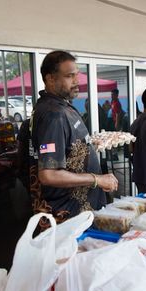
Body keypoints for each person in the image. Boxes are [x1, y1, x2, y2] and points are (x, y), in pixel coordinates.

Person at [31, 50, 117, 223]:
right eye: (70, 76)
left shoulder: (60, 106)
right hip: (68, 217)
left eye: (76, 75)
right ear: (50, 79)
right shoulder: (54, 115)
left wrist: (88, 146)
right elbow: (48, 174)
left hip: (80, 213)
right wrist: (97, 179)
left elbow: (64, 146)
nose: (77, 81)